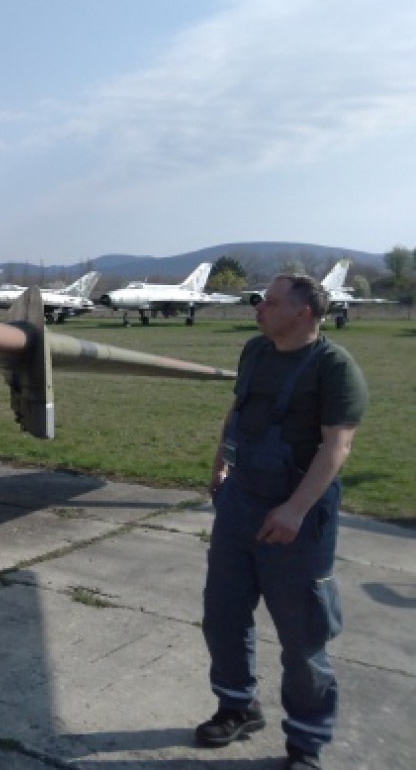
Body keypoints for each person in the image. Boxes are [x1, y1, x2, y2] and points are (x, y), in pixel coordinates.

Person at [197, 273, 368, 770]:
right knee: (223, 614)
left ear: (303, 312)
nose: (259, 307)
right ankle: (238, 706)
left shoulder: (334, 367)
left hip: (298, 515)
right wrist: (220, 466)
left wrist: (294, 510)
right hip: (240, 502)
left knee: (303, 637)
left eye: (269, 302)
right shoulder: (255, 350)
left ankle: (306, 743)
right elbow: (237, 410)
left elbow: (337, 446)